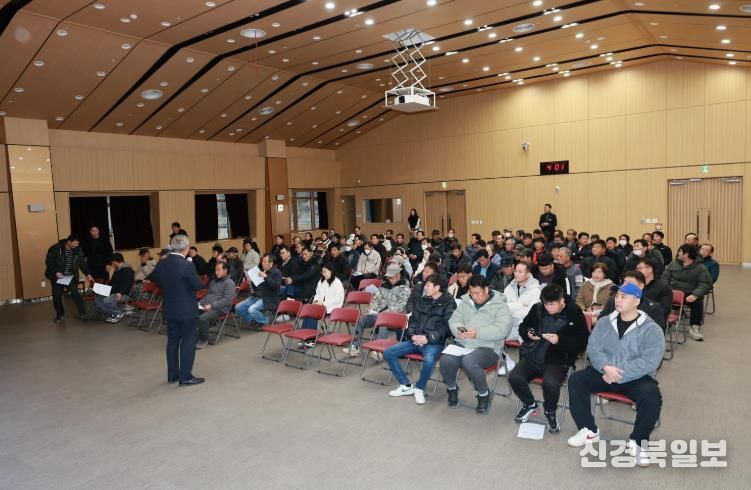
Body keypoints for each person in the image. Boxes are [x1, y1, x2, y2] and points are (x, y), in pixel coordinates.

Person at [567, 283, 664, 467]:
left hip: (635, 377)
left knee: (652, 397)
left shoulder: (652, 329)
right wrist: (605, 367)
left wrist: (619, 373)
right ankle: (588, 430)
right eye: (617, 296)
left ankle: (638, 442)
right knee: (576, 380)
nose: (618, 300)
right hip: (604, 372)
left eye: (624, 297)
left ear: (636, 301)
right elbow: (593, 347)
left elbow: (650, 361)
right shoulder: (605, 322)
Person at [511, 284, 588, 433]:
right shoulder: (538, 308)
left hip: (558, 358)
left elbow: (582, 342)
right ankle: (530, 404)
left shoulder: (574, 312)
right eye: (546, 304)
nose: (548, 308)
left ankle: (549, 410)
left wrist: (559, 340)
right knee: (515, 377)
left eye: (552, 304)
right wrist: (528, 333)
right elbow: (523, 326)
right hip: (533, 354)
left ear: (562, 301)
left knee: (550, 383)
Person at [442, 275, 513, 413]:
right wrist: (459, 331)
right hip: (464, 343)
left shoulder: (500, 306)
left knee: (469, 361)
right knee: (446, 360)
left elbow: (503, 330)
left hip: (488, 347)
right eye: (471, 293)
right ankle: (452, 388)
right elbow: (454, 320)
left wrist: (478, 334)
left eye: (478, 293)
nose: (474, 297)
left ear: (486, 289)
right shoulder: (466, 302)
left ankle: (483, 393)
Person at [385, 274, 456, 405]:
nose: (425, 288)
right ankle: (405, 385)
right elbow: (413, 320)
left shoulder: (449, 304)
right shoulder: (423, 300)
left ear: (437, 287)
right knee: (389, 352)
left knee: (429, 361)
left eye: (428, 285)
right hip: (415, 339)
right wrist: (412, 334)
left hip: (433, 343)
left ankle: (419, 388)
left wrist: (428, 338)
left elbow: (446, 327)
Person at [149, 235, 204, 386]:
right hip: (187, 310)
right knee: (188, 342)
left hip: (170, 308)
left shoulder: (162, 263)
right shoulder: (186, 265)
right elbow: (198, 285)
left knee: (172, 342)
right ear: (186, 248)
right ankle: (185, 377)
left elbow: (155, 279)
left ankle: (172, 375)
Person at [344, 263, 411, 356]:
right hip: (378, 314)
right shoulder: (384, 285)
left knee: (383, 321)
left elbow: (401, 306)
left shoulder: (405, 289)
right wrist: (372, 309)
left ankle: (379, 350)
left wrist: (384, 313)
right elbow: (376, 299)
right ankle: (355, 347)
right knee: (362, 320)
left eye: (391, 277)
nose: (389, 279)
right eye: (388, 277)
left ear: (398, 275)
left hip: (395, 317)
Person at [662, 244, 712, 341]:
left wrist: (695, 294)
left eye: (680, 251)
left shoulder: (700, 268)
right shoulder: (673, 264)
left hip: (689, 294)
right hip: (672, 292)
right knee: (658, 299)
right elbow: (664, 278)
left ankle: (694, 328)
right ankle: (661, 323)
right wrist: (664, 289)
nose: (678, 253)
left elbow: (705, 284)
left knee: (697, 302)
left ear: (687, 254)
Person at [598, 270, 668, 332]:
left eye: (630, 283)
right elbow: (601, 323)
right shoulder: (613, 301)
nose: (625, 285)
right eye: (624, 282)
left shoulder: (653, 308)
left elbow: (658, 332)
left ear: (641, 286)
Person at [45, 234, 93, 323]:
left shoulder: (78, 250)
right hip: (57, 276)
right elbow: (49, 262)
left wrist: (88, 274)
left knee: (76, 294)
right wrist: (56, 272)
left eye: (77, 244)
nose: (76, 245)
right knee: (57, 297)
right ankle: (60, 315)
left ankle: (82, 313)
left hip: (69, 276)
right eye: (75, 243)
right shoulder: (56, 248)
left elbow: (83, 264)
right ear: (69, 242)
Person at [196, 261, 236, 349]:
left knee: (202, 318)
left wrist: (212, 306)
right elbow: (208, 295)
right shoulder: (213, 281)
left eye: (218, 270)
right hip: (208, 305)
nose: (216, 272)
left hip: (221, 309)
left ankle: (203, 340)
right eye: (215, 270)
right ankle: (194, 336)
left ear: (225, 270)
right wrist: (200, 303)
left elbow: (227, 300)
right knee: (191, 312)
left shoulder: (230, 283)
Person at [235, 253, 282, 327]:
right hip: (256, 295)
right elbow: (257, 287)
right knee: (238, 307)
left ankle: (266, 322)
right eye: (262, 261)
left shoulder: (276, 272)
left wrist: (266, 277)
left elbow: (276, 286)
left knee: (252, 309)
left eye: (265, 262)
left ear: (271, 263)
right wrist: (252, 282)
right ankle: (253, 320)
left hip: (268, 297)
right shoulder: (261, 272)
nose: (262, 263)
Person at [503, 262, 542, 344]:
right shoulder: (509, 288)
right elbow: (503, 308)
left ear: (528, 274)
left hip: (526, 329)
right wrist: (520, 305)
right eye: (515, 271)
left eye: (520, 272)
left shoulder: (536, 290)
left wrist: (512, 310)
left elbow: (530, 313)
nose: (516, 274)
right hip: (509, 327)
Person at [302, 264, 345, 335]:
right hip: (320, 305)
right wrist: (316, 301)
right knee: (308, 311)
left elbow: (338, 299)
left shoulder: (337, 282)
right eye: (322, 272)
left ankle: (311, 336)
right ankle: (304, 334)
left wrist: (323, 303)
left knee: (313, 313)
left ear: (331, 271)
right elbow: (317, 294)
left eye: (325, 271)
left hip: (332, 306)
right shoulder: (321, 281)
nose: (323, 274)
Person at [94, 253, 134, 324]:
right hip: (114, 292)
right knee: (98, 299)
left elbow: (127, 284)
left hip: (124, 294)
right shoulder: (117, 270)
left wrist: (120, 293)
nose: (111, 263)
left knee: (107, 300)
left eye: (112, 261)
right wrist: (103, 290)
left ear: (115, 261)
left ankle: (118, 313)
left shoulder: (128, 270)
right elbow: (112, 283)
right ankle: (114, 313)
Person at [636, 258, 672, 324]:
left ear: (650, 269)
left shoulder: (663, 287)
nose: (637, 271)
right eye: (637, 268)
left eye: (640, 268)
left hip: (652, 322)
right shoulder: (636, 285)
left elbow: (664, 311)